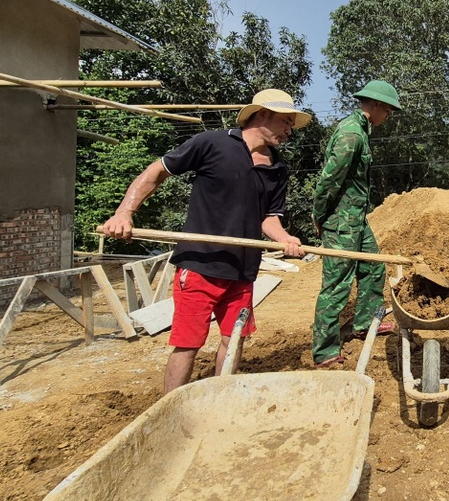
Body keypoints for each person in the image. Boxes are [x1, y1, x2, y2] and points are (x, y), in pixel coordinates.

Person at [102, 89, 306, 393]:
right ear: (261, 115)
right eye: (285, 122)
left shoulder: (278, 168)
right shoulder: (212, 143)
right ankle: (170, 408)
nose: (290, 130)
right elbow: (156, 172)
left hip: (242, 270)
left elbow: (268, 219)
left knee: (234, 339)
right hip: (200, 265)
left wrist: (286, 238)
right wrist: (124, 213)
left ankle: (219, 400)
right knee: (188, 343)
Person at [310, 80, 402, 368]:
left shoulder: (362, 130)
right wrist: (319, 216)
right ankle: (324, 351)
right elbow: (329, 180)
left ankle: (364, 322)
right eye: (387, 110)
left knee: (374, 266)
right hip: (341, 221)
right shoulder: (351, 135)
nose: (387, 116)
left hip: (356, 219)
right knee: (337, 284)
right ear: (374, 105)